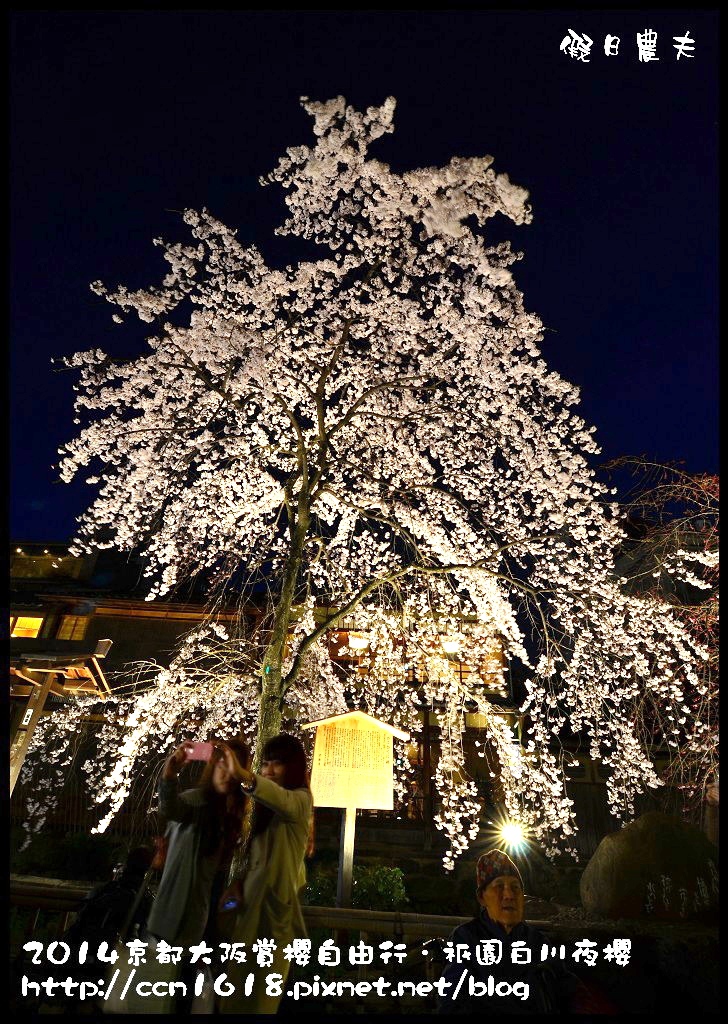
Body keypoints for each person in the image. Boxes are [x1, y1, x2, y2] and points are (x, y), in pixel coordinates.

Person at [142, 737, 250, 1011]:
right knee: (162, 996)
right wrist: (171, 770)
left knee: (183, 997)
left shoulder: (234, 816)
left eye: (233, 767)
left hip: (203, 919)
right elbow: (171, 808)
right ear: (212, 767)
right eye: (221, 765)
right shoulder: (196, 802)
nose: (226, 773)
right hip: (174, 918)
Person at [214, 733, 314, 1015]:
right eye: (265, 764)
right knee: (234, 996)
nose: (268, 771)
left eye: (276, 765)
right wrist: (238, 883)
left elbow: (281, 798)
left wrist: (244, 775)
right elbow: (257, 861)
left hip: (274, 920)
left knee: (260, 1001)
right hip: (249, 912)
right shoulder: (267, 810)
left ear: (292, 768)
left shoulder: (300, 800)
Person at [438, 849, 579, 1014]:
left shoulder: (537, 941)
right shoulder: (467, 937)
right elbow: (451, 994)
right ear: (482, 898)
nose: (509, 895)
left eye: (515, 887)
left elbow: (567, 987)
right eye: (499, 887)